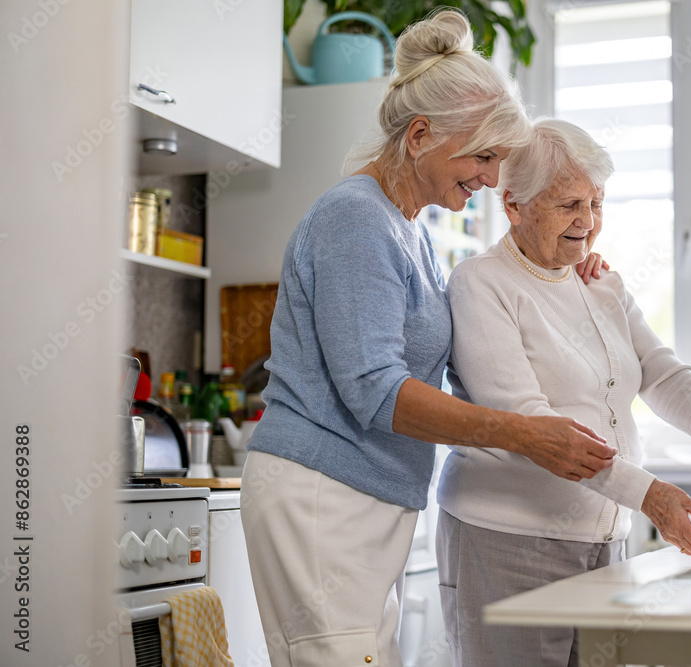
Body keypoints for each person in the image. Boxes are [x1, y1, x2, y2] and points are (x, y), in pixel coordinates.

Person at [239, 13, 618, 667]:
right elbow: (375, 390)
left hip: (366, 500)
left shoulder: (408, 228)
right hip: (322, 499)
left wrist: (565, 258)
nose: (493, 178)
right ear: (419, 136)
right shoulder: (355, 218)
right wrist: (525, 433)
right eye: (483, 156)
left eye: (499, 159)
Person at [436, 118, 691, 667]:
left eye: (597, 204)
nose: (588, 223)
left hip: (605, 539)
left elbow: (662, 374)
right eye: (569, 205)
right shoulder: (482, 284)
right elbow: (530, 424)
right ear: (513, 205)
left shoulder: (600, 283)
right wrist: (650, 495)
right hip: (506, 540)